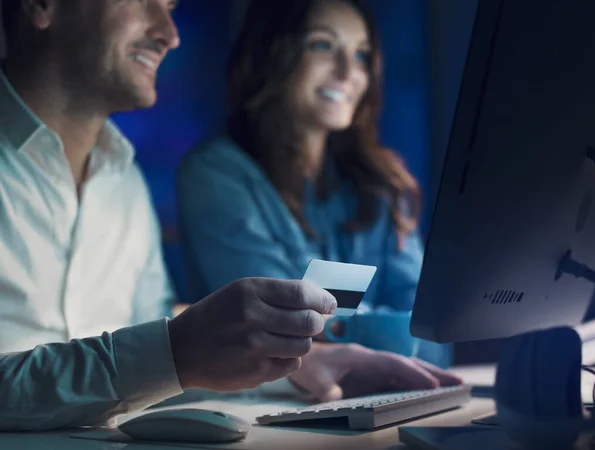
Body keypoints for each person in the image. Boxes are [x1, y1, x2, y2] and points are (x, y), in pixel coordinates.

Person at [0, 0, 460, 432]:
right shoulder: (216, 174)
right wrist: (180, 353)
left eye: (172, 7)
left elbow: (148, 369)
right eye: (144, 0)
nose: (170, 34)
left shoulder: (124, 186)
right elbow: (165, 357)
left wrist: (303, 368)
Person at [177, 0, 451, 367]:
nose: (347, 71)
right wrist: (390, 328)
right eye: (323, 45)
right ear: (273, 53)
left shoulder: (382, 184)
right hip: (266, 406)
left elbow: (435, 337)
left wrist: (335, 326)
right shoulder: (215, 176)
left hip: (397, 393)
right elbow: (278, 329)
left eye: (361, 55)